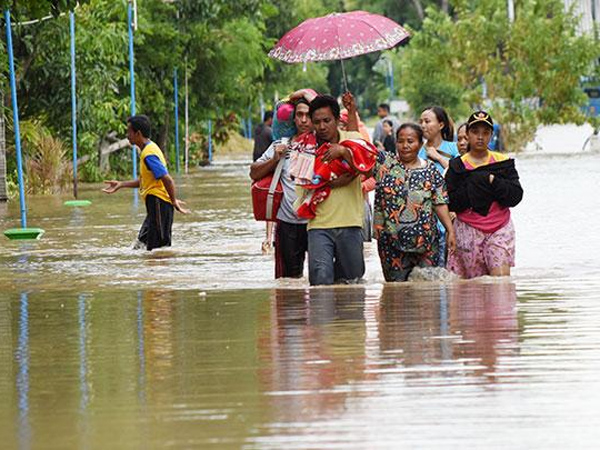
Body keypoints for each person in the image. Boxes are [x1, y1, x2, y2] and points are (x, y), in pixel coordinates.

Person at [294, 93, 369, 286]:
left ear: (337, 120)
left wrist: (343, 152)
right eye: (317, 121)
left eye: (327, 120)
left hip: (350, 223)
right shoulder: (303, 149)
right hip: (318, 224)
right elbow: (302, 184)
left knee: (353, 282)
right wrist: (329, 180)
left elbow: (367, 166)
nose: (322, 126)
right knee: (320, 284)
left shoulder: (352, 140)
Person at [373, 123, 456, 282]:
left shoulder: (430, 171)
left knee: (426, 292)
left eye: (410, 141)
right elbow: (359, 155)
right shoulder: (384, 163)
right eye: (400, 141)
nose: (405, 146)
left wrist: (450, 231)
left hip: (426, 242)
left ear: (420, 144)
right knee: (396, 295)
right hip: (391, 242)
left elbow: (440, 203)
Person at [446, 111, 523, 278]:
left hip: (500, 228)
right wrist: (477, 183)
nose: (480, 137)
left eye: (485, 133)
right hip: (468, 229)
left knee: (500, 284)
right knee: (474, 287)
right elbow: (451, 202)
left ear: (491, 135)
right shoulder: (457, 166)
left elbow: (515, 196)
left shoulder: (503, 162)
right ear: (467, 135)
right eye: (475, 132)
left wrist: (492, 180)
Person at [102, 115, 190, 250]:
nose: (127, 136)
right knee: (140, 245)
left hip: (159, 203)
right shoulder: (148, 149)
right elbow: (145, 181)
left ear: (138, 133)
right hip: (156, 204)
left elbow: (167, 179)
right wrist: (121, 184)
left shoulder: (149, 154)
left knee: (158, 249)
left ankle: (158, 271)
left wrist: (173, 201)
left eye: (129, 132)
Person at [250, 97, 313, 278]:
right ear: (293, 119)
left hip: (317, 224)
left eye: (308, 115)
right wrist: (275, 160)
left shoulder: (324, 146)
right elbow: (253, 173)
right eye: (299, 115)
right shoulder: (281, 145)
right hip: (287, 224)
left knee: (321, 279)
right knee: (289, 282)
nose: (303, 120)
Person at [419, 106, 460, 266]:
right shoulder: (415, 150)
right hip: (424, 223)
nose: (423, 125)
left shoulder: (454, 148)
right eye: (421, 121)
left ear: (441, 125)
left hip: (450, 219)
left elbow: (460, 176)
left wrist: (437, 157)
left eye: (427, 121)